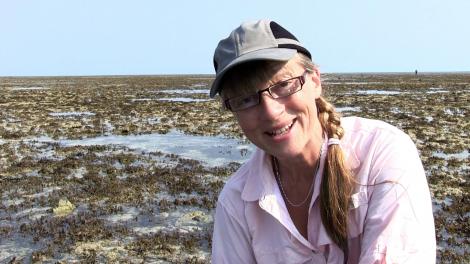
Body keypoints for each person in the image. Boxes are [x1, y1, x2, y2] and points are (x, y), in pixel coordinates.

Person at [209, 19, 436, 263]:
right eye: (245, 100)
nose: (271, 112)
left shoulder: (381, 153)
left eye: (284, 85)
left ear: (315, 81)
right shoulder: (236, 202)